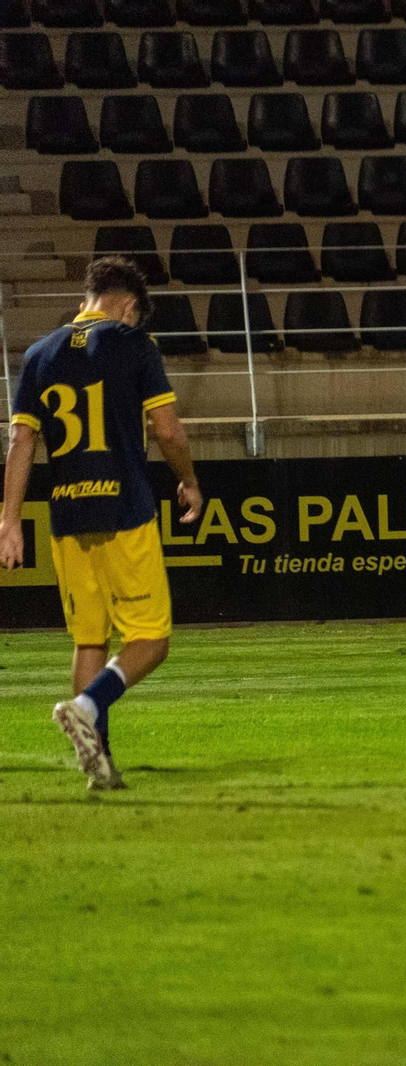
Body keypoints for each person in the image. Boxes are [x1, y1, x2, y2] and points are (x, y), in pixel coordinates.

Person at [0, 256, 201, 791]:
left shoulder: (39, 355)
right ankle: (88, 707)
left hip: (66, 516)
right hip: (125, 508)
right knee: (151, 640)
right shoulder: (135, 344)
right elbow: (168, 432)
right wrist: (190, 482)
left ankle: (101, 765)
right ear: (130, 306)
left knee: (90, 638)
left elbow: (21, 442)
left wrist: (10, 521)